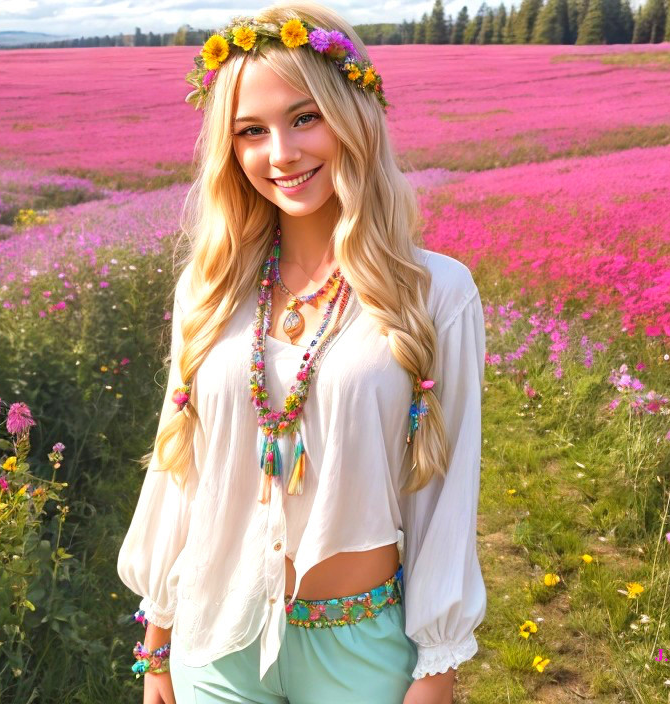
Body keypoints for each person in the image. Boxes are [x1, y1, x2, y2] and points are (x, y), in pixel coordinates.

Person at [116, 2, 487, 702]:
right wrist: (157, 642)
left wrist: (437, 665)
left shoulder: (436, 292)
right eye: (250, 132)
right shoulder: (209, 287)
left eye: (304, 117)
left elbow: (447, 490)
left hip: (359, 650)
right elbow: (181, 470)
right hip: (214, 643)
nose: (280, 154)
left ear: (354, 115)